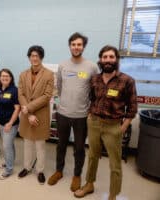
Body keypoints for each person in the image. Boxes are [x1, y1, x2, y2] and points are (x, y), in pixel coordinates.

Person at [74, 45, 138, 200]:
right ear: (100, 60)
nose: (108, 60)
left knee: (115, 164)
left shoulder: (127, 81)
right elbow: (91, 98)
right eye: (105, 57)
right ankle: (89, 184)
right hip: (94, 123)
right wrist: (90, 115)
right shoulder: (95, 79)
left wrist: (122, 127)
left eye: (111, 57)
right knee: (92, 156)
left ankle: (112, 194)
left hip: (113, 127)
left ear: (116, 59)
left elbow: (133, 107)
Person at [48, 32, 99, 191]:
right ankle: (59, 171)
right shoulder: (63, 65)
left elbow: (95, 91)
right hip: (63, 113)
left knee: (78, 148)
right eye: (73, 44)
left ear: (83, 46)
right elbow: (60, 88)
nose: (76, 47)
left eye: (79, 44)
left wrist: (90, 109)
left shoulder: (91, 67)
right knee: (60, 145)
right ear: (69, 46)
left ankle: (77, 175)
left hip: (81, 116)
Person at [17, 45, 54, 184]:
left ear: (41, 57)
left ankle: (40, 170)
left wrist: (29, 108)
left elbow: (47, 95)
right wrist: (27, 113)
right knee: (27, 143)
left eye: (37, 56)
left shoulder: (49, 74)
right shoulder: (23, 74)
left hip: (40, 115)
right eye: (32, 56)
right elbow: (20, 94)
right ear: (29, 58)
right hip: (27, 115)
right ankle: (26, 167)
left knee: (40, 145)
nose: (34, 58)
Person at [0, 69, 20, 179]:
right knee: (9, 145)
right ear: (0, 77)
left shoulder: (14, 90)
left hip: (11, 124)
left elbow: (17, 108)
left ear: (11, 78)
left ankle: (9, 169)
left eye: (7, 76)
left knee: (6, 146)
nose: (4, 78)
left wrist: (10, 123)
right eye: (2, 76)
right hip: (0, 122)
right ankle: (10, 162)